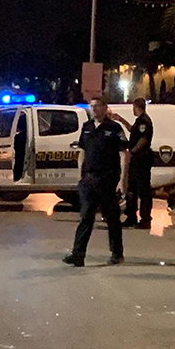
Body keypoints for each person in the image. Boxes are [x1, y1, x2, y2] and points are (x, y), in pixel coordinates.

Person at [63, 97, 129, 267]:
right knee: (86, 216)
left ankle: (117, 253)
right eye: (91, 106)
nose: (94, 109)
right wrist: (81, 174)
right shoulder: (87, 127)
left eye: (97, 106)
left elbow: (123, 153)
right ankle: (78, 254)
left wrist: (122, 180)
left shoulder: (114, 128)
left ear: (105, 108)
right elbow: (82, 151)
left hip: (108, 178)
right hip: (89, 179)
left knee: (112, 217)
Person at [112, 97, 154, 229]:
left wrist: (133, 152)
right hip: (137, 160)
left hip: (141, 160)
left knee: (143, 190)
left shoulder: (145, 121)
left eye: (133, 108)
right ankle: (131, 217)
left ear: (137, 107)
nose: (133, 110)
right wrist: (121, 120)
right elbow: (133, 131)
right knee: (132, 189)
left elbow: (143, 139)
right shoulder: (139, 121)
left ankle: (145, 219)